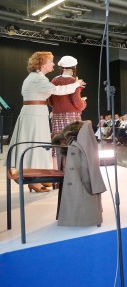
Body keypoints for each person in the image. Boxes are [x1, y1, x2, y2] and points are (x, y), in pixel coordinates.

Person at [8, 51, 85, 192]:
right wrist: (76, 84)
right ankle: (35, 179)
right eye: (51, 61)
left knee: (36, 145)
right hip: (35, 115)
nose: (53, 64)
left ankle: (35, 181)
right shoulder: (38, 79)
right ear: (42, 64)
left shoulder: (41, 78)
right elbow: (57, 91)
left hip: (36, 113)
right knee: (36, 145)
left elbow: (51, 97)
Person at [48, 55, 87, 145]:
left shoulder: (54, 80)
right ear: (74, 68)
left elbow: (51, 102)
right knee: (72, 143)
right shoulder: (74, 81)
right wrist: (84, 102)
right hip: (72, 116)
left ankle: (57, 159)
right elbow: (77, 102)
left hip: (56, 115)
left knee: (58, 142)